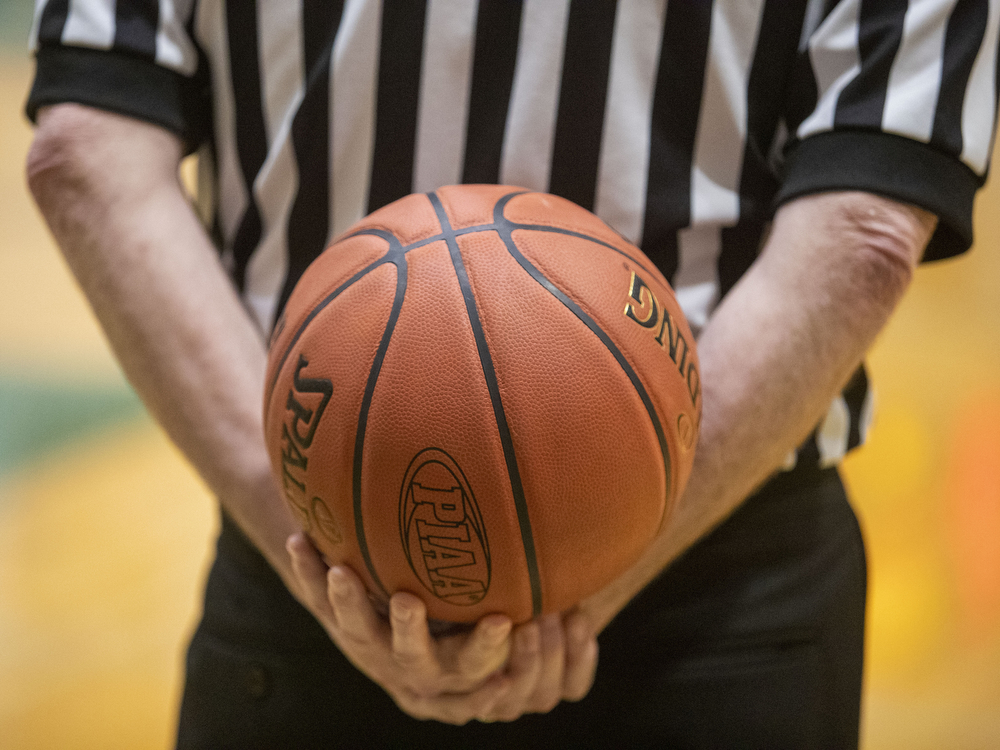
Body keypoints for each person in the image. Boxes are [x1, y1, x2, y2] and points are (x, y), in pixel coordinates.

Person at [24, 0, 998, 747]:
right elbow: (867, 220)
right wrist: (568, 589)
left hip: (313, 550)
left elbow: (84, 148)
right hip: (716, 583)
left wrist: (336, 553)